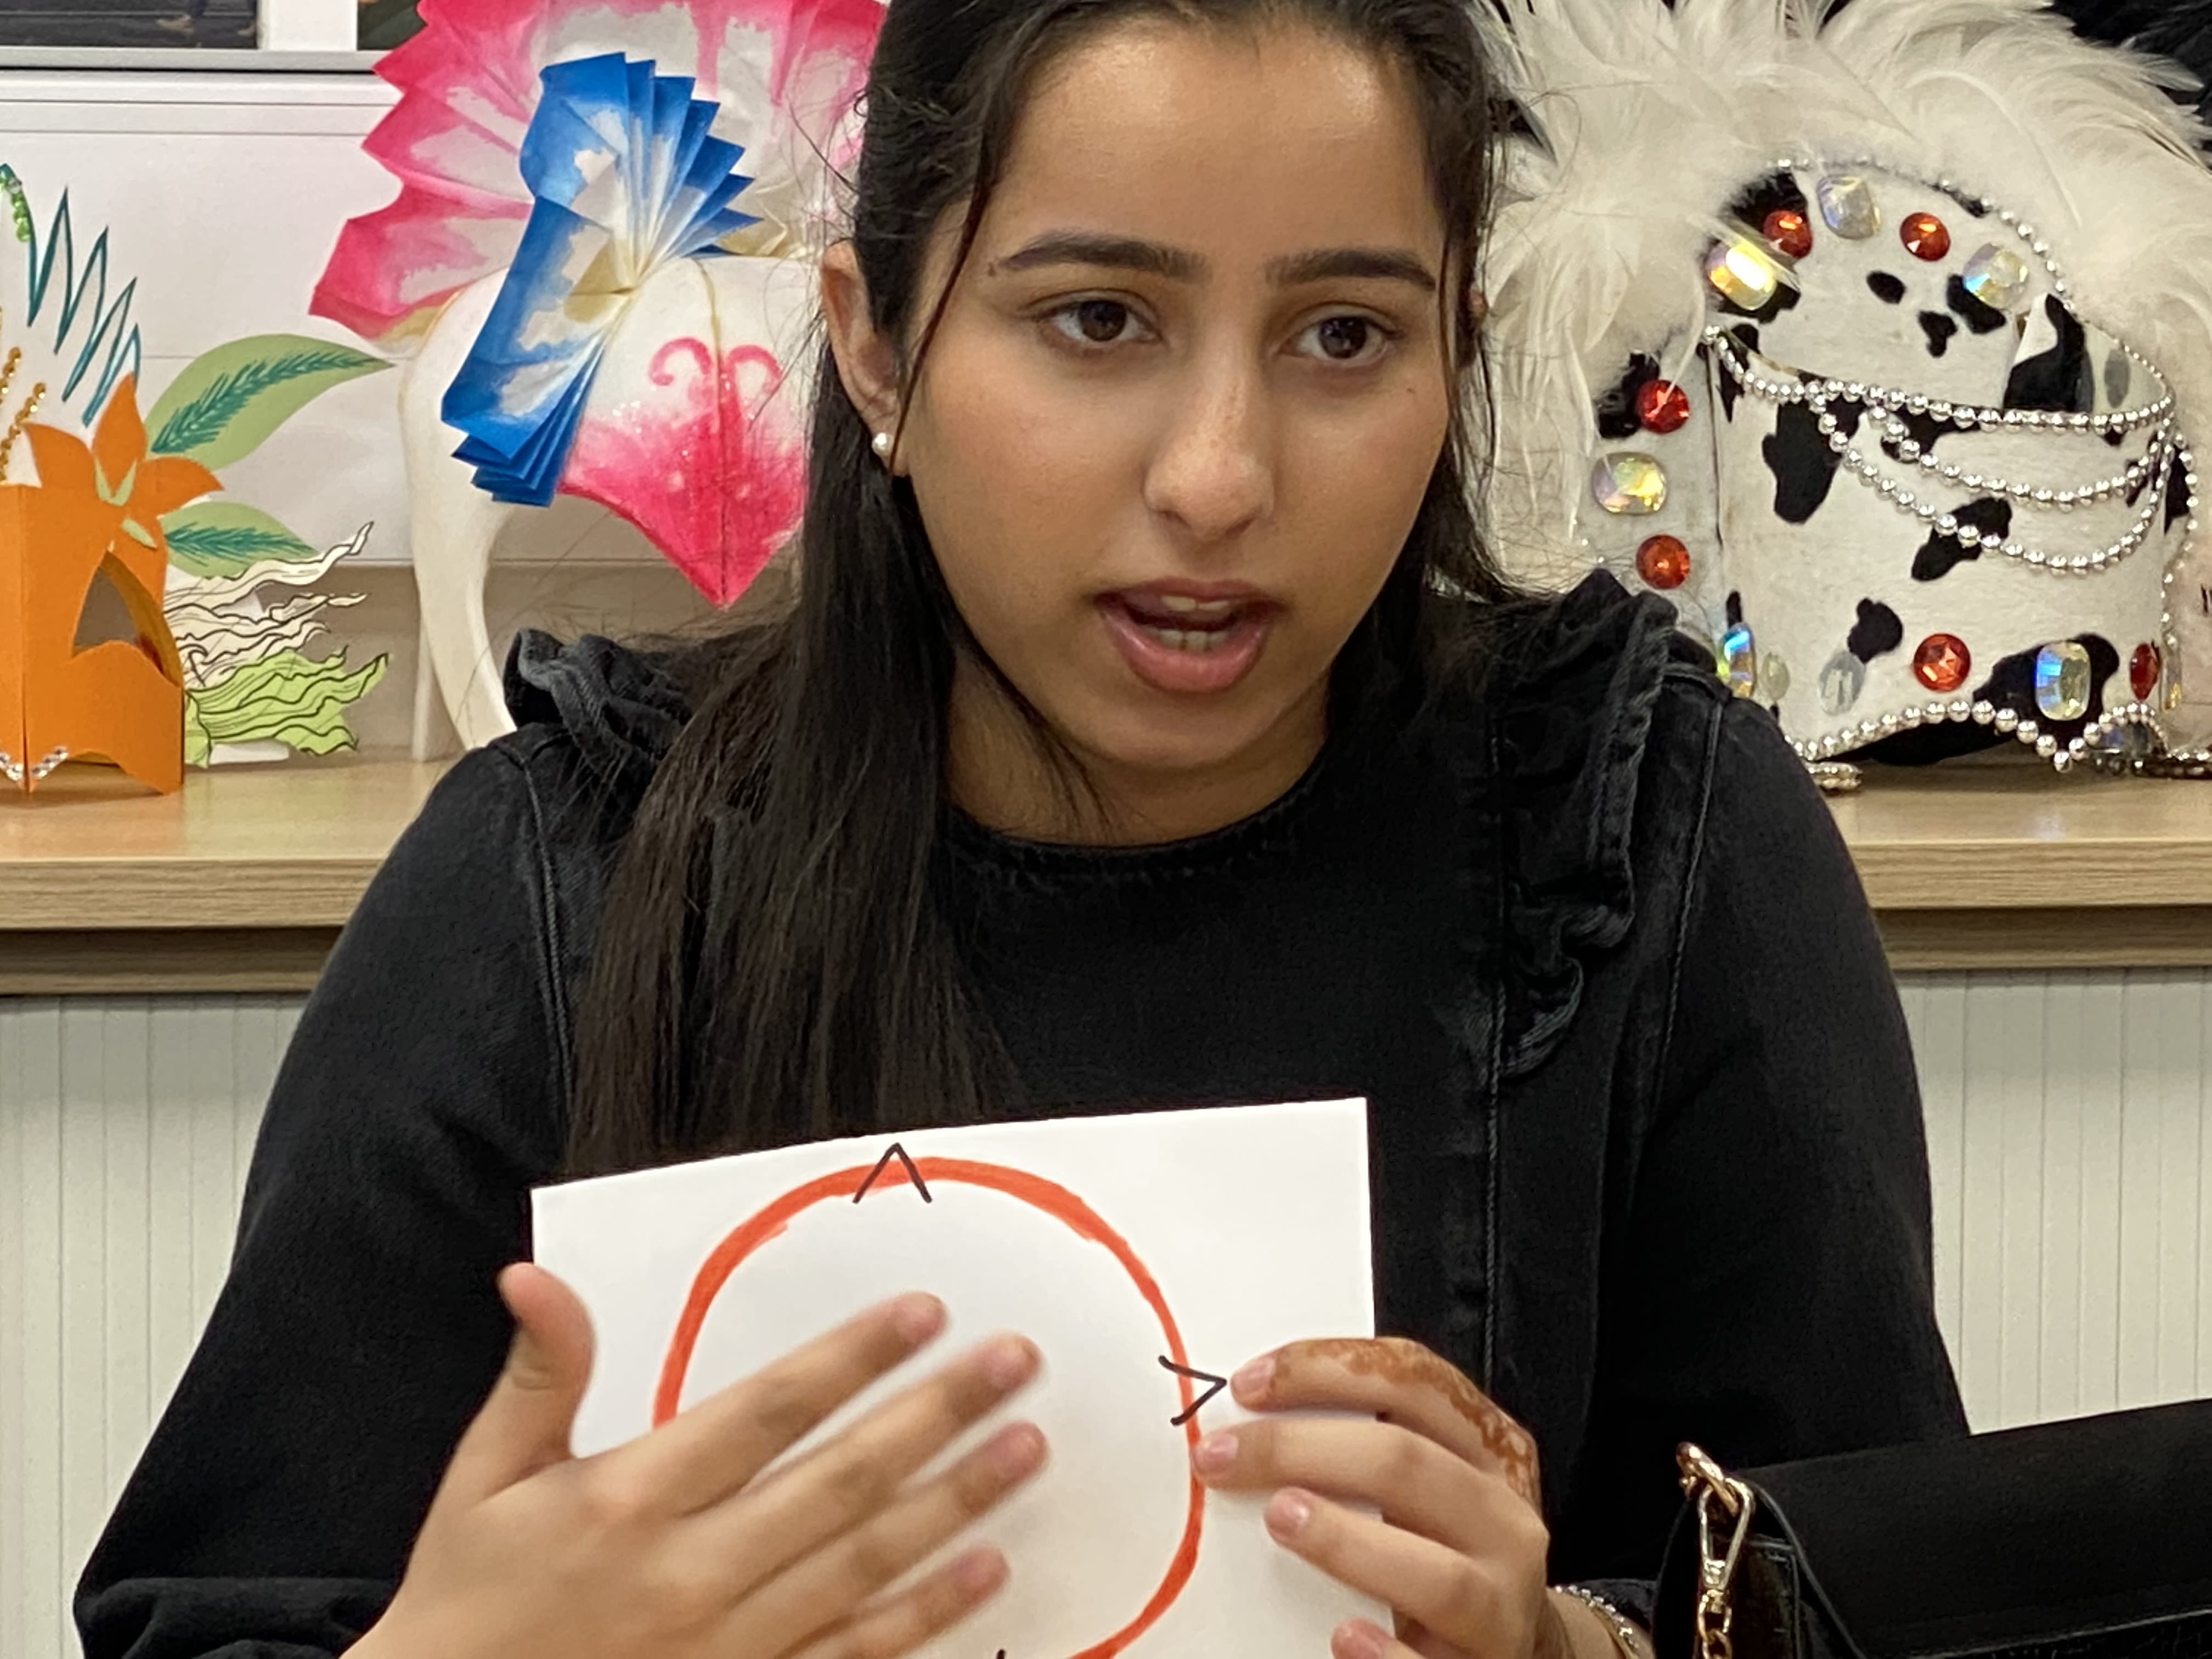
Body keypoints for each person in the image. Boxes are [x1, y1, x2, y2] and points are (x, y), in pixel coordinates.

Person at [75, 0, 1967, 1653]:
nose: (1217, 477)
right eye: (1097, 318)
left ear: (1453, 354)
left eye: (1341, 339)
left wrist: (1569, 1650)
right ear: (876, 346)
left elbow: (1909, 1600)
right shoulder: (556, 880)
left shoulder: (1657, 845)